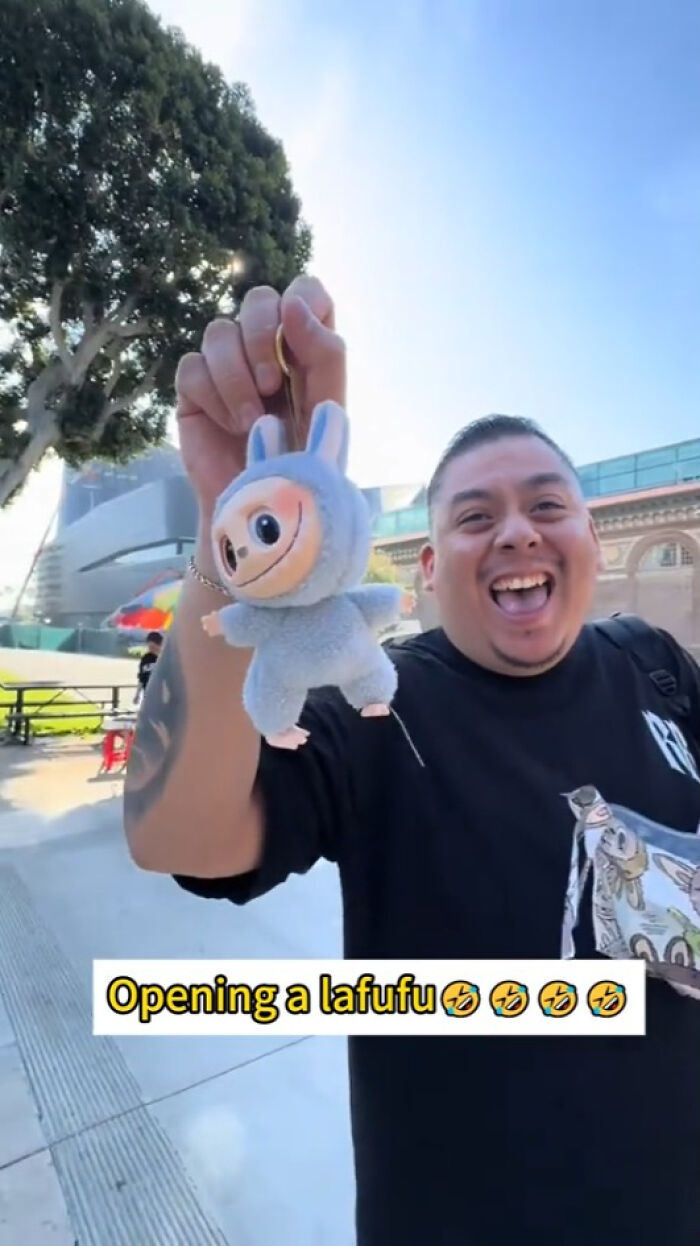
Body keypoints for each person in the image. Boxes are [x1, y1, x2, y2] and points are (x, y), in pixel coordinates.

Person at [123, 276, 700, 1246]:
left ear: (590, 540)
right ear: (427, 569)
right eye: (474, 517)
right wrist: (239, 525)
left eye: (545, 505)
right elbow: (175, 832)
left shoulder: (655, 662)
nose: (514, 530)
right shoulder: (377, 702)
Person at [134, 631, 162, 705]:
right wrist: (137, 694)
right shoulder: (146, 658)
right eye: (149, 646)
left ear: (159, 644)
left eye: (152, 646)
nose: (150, 648)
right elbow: (141, 678)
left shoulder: (166, 657)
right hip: (148, 695)